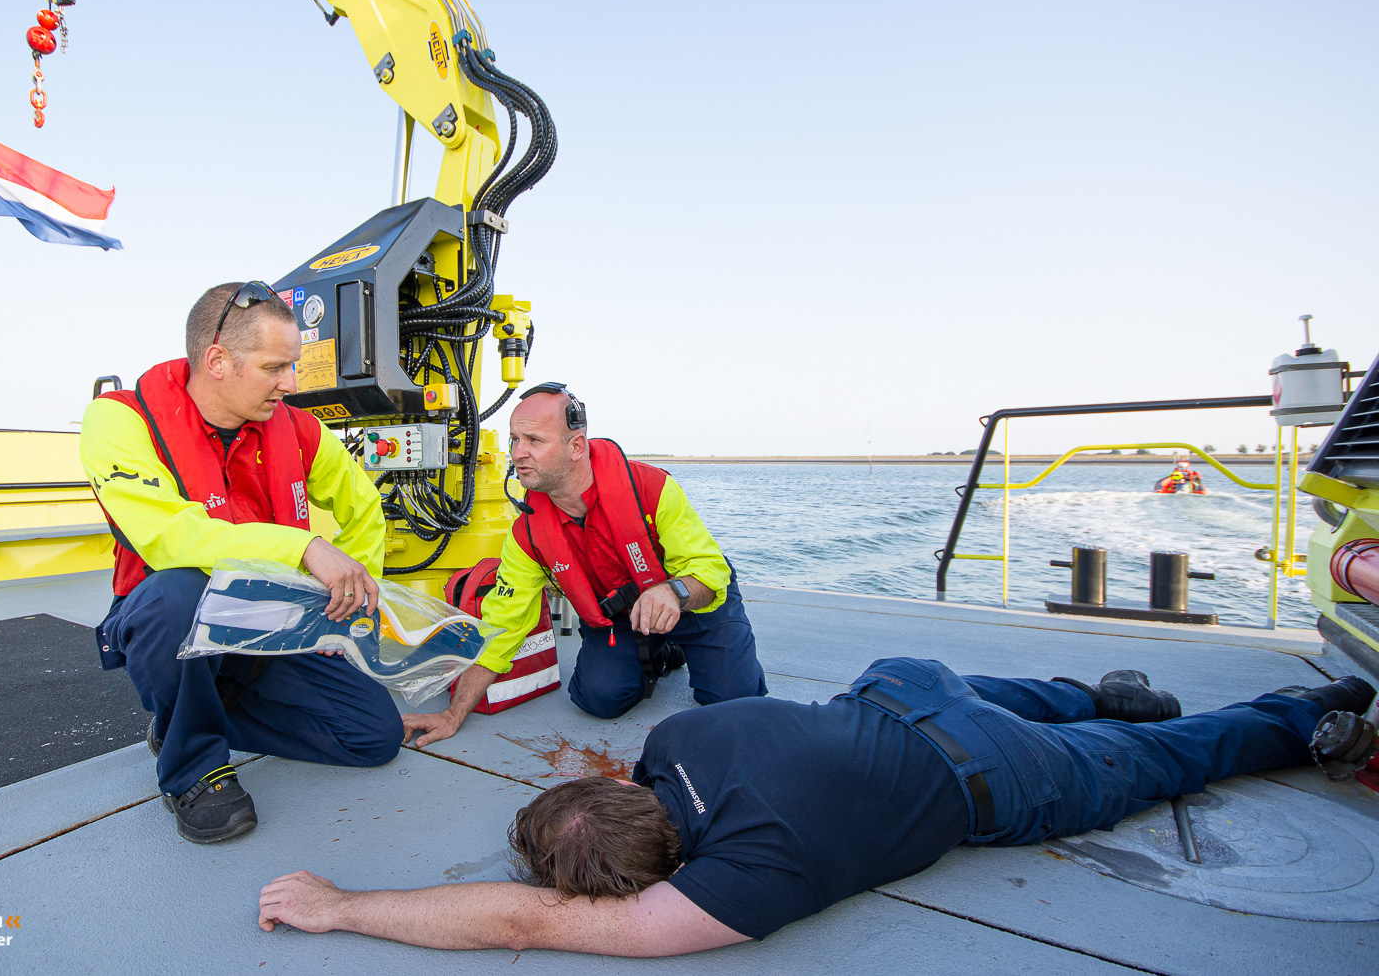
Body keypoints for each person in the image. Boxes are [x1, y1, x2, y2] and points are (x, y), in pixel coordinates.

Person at [258, 662, 1375, 955]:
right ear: (620, 787)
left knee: (1166, 757)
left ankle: (1303, 714)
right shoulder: (679, 741)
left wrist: (342, 905)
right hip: (904, 687)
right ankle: (1096, 689)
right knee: (1009, 696)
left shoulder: (747, 877)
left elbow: (523, 919)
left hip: (992, 773)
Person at [81, 281, 400, 845]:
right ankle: (194, 768)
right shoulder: (120, 420)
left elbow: (364, 508)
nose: (291, 383)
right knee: (175, 592)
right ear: (217, 361)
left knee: (373, 736)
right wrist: (303, 548)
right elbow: (167, 538)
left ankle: (188, 718)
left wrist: (354, 593)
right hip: (177, 621)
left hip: (271, 623)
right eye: (275, 367)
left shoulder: (300, 430)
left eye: (292, 365)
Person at [400, 382, 767, 747]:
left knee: (734, 702)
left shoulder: (652, 488)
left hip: (692, 601)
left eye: (534, 440)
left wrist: (673, 593)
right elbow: (501, 626)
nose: (518, 453)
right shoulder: (527, 534)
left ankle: (679, 642)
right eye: (514, 440)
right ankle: (661, 651)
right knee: (598, 698)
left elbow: (708, 570)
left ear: (576, 446)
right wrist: (453, 714)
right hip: (621, 617)